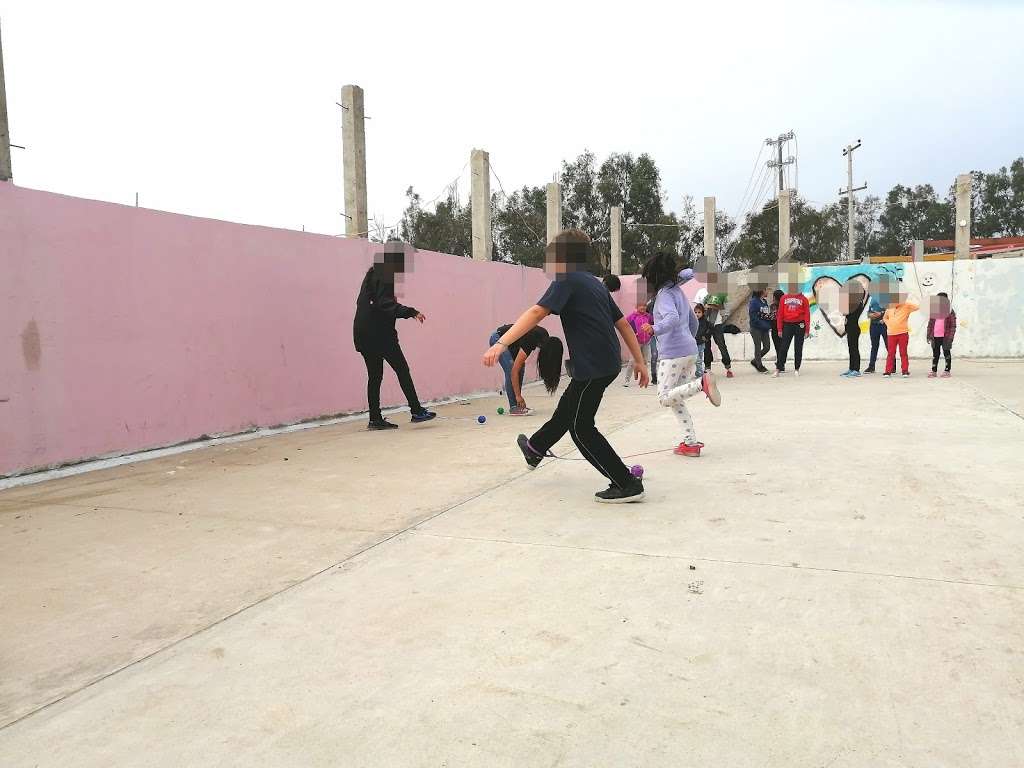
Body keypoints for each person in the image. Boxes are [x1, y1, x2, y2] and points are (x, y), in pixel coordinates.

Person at [483, 229, 649, 504]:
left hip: (592, 364)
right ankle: (536, 448)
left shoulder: (566, 279)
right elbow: (621, 324)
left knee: (580, 427)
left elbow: (537, 312)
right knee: (568, 408)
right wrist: (639, 361)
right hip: (604, 362)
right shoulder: (594, 283)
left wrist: (501, 343)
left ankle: (625, 482)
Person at [640, 254, 721, 458]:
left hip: (673, 354)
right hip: (689, 350)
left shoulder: (664, 295)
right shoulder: (677, 291)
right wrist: (688, 341)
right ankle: (691, 443)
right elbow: (693, 321)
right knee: (677, 399)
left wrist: (654, 328)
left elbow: (672, 318)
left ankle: (701, 383)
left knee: (664, 398)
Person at [353, 246, 436, 430]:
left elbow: (375, 303)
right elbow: (385, 304)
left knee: (375, 376)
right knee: (402, 368)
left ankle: (375, 419)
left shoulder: (371, 277)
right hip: (379, 334)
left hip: (363, 334)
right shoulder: (384, 276)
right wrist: (410, 312)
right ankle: (416, 411)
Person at [488, 323, 564, 414]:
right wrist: (518, 396)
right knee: (512, 369)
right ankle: (514, 407)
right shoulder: (532, 339)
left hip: (513, 344)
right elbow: (514, 372)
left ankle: (517, 405)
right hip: (499, 339)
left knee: (520, 367)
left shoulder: (543, 336)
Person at [773, 282, 810, 378]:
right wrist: (779, 329)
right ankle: (778, 369)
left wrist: (807, 330)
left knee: (798, 348)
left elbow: (807, 315)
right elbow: (780, 314)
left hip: (800, 325)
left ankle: (797, 369)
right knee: (783, 347)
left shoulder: (804, 299)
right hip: (787, 325)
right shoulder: (784, 298)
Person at [882, 292, 919, 377]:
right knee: (891, 353)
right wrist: (889, 324)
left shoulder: (906, 306)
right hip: (891, 334)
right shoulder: (890, 307)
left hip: (903, 333)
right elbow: (885, 317)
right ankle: (888, 371)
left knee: (903, 352)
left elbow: (917, 307)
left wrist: (906, 303)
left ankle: (905, 371)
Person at [926, 292, 957, 378]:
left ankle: (947, 370)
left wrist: (951, 337)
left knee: (946, 353)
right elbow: (930, 324)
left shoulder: (950, 311)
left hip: (946, 337)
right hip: (935, 336)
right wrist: (929, 335)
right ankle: (934, 370)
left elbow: (953, 326)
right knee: (935, 354)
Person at [623, 303, 653, 387]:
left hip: (646, 342)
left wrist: (650, 334)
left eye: (644, 306)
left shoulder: (648, 316)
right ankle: (627, 380)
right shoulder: (633, 316)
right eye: (641, 306)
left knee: (645, 361)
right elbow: (625, 325)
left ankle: (645, 379)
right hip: (636, 342)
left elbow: (652, 325)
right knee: (632, 361)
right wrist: (633, 333)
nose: (643, 307)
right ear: (637, 307)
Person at [840, 285, 866, 378]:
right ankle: (851, 368)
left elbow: (845, 312)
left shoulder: (858, 304)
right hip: (849, 328)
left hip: (854, 328)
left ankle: (856, 370)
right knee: (851, 348)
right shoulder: (852, 303)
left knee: (854, 348)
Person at [863, 286, 889, 374]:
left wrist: (881, 314)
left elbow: (891, 311)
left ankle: (892, 366)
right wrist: (871, 315)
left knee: (889, 346)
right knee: (874, 346)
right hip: (873, 325)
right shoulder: (873, 299)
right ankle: (871, 366)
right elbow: (868, 313)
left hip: (884, 325)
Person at [747, 289, 772, 373]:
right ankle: (759, 365)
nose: (767, 292)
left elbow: (766, 315)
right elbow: (753, 316)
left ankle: (755, 360)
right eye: (766, 290)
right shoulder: (754, 302)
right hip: (756, 328)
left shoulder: (764, 301)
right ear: (761, 291)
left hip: (765, 328)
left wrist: (769, 324)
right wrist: (762, 324)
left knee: (767, 347)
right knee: (757, 346)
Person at [645, 295, 659, 384]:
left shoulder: (667, 304)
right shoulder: (651, 304)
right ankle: (654, 377)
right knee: (654, 355)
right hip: (653, 334)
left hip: (665, 334)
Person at [769, 289, 785, 369]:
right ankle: (781, 363)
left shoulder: (773, 306)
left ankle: (780, 364)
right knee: (782, 347)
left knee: (778, 347)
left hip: (776, 329)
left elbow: (772, 317)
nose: (773, 299)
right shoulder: (785, 306)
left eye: (774, 297)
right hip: (783, 328)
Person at [693, 303, 708, 377]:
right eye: (695, 312)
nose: (697, 314)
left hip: (701, 344)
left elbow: (709, 329)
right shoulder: (692, 321)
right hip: (694, 344)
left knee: (700, 359)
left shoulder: (704, 321)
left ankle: (698, 372)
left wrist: (706, 336)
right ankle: (701, 374)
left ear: (702, 313)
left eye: (699, 312)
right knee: (697, 360)